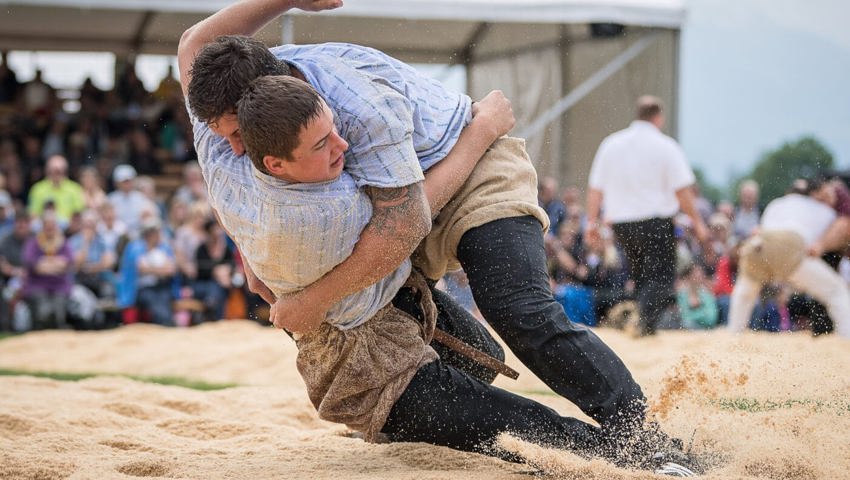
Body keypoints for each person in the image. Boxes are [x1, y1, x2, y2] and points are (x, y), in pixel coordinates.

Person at [179, 0, 659, 449]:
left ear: (269, 94)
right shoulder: (229, 111)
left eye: (240, 134)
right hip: (393, 203)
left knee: (517, 308)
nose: (235, 151)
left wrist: (312, 300)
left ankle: (641, 436)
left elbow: (403, 226)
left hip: (468, 169)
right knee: (429, 347)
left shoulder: (359, 112)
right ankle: (458, 363)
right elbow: (193, 46)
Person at [225, 73, 695, 474]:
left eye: (334, 131)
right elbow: (401, 228)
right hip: (377, 348)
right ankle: (636, 441)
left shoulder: (239, 157)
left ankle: (642, 433)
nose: (342, 144)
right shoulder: (297, 215)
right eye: (322, 143)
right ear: (273, 164)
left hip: (442, 218)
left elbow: (195, 51)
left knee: (503, 328)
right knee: (505, 397)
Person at [585, 95, 709, 336]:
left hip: (621, 223)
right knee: (660, 278)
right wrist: (698, 222)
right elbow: (682, 191)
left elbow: (595, 189)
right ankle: (642, 324)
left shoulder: (612, 144)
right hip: (655, 221)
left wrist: (592, 222)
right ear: (659, 117)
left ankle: (641, 322)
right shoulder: (666, 146)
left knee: (641, 274)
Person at [727, 178, 850, 338]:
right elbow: (843, 228)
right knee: (836, 291)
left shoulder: (777, 203)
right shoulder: (820, 208)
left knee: (744, 294)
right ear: (812, 195)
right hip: (791, 245)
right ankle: (847, 338)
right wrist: (822, 246)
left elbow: (763, 230)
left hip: (758, 245)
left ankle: (734, 334)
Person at [27, 155, 85, 225]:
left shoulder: (75, 188)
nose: (56, 175)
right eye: (53, 171)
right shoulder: (37, 189)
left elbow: (79, 213)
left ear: (65, 171)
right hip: (44, 226)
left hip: (68, 226)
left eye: (59, 172)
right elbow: (33, 214)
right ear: (47, 171)